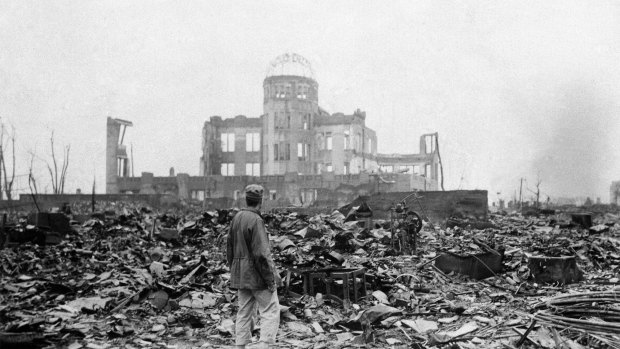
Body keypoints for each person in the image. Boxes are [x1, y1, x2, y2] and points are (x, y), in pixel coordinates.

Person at [227, 184, 280, 349]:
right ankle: (265, 345)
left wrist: (235, 270)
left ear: (246, 199)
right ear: (260, 201)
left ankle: (240, 346)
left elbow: (229, 248)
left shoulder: (237, 218)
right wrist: (270, 278)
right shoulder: (256, 220)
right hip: (256, 275)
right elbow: (262, 254)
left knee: (244, 312)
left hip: (241, 275)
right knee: (271, 310)